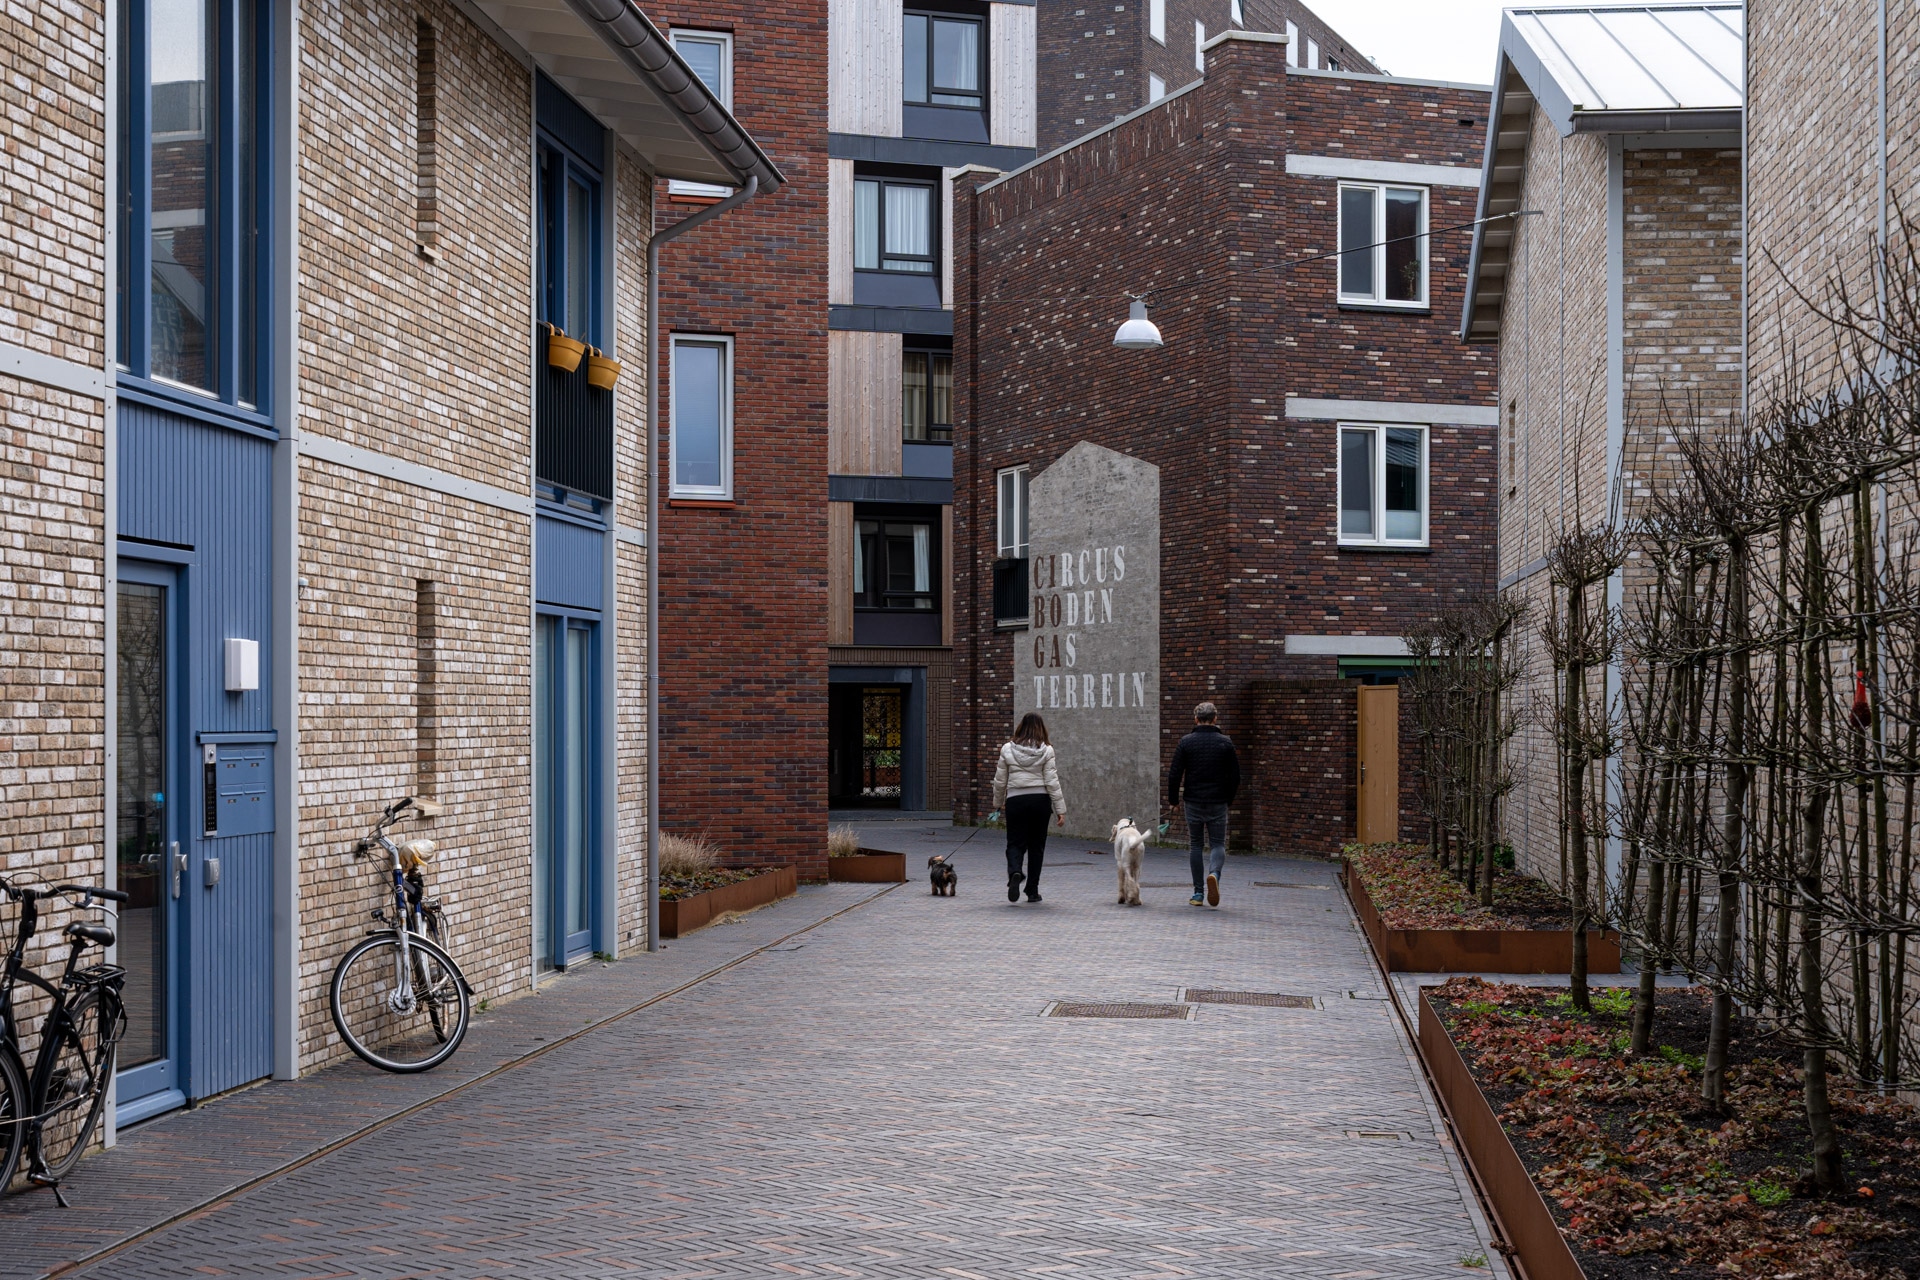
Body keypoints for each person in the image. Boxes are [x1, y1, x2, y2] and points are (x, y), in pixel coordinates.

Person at [1167, 701, 1240, 908]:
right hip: (1218, 801)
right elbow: (1235, 776)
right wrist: (1229, 799)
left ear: (1196, 719)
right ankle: (1214, 874)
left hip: (1194, 801)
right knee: (1217, 843)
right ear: (1215, 719)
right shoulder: (1226, 743)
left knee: (1196, 845)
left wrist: (1173, 801)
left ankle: (1198, 893)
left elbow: (1174, 775)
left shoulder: (1186, 742)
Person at [992, 712, 1066, 904]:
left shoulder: (1007, 749)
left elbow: (1000, 781)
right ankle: (1032, 890)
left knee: (1014, 843)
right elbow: (1052, 781)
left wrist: (997, 804)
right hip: (1040, 801)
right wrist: (1060, 809)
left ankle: (1015, 871)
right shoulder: (1047, 750)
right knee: (1036, 847)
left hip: (1016, 800)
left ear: (1021, 727)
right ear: (1041, 728)